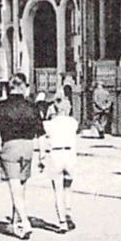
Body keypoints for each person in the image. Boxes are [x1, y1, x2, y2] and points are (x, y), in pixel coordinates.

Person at [0, 74, 46, 239]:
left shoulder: (1, 106)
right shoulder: (32, 107)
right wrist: (42, 155)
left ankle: (25, 222)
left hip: (10, 146)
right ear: (23, 87)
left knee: (14, 189)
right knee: (21, 188)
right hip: (28, 147)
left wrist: (1, 149)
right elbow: (41, 134)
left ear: (10, 87)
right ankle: (15, 223)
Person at [42, 98, 78, 232]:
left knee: (57, 190)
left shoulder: (49, 124)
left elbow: (43, 131)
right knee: (68, 187)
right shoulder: (73, 122)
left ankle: (62, 222)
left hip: (56, 155)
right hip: (69, 155)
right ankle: (68, 213)